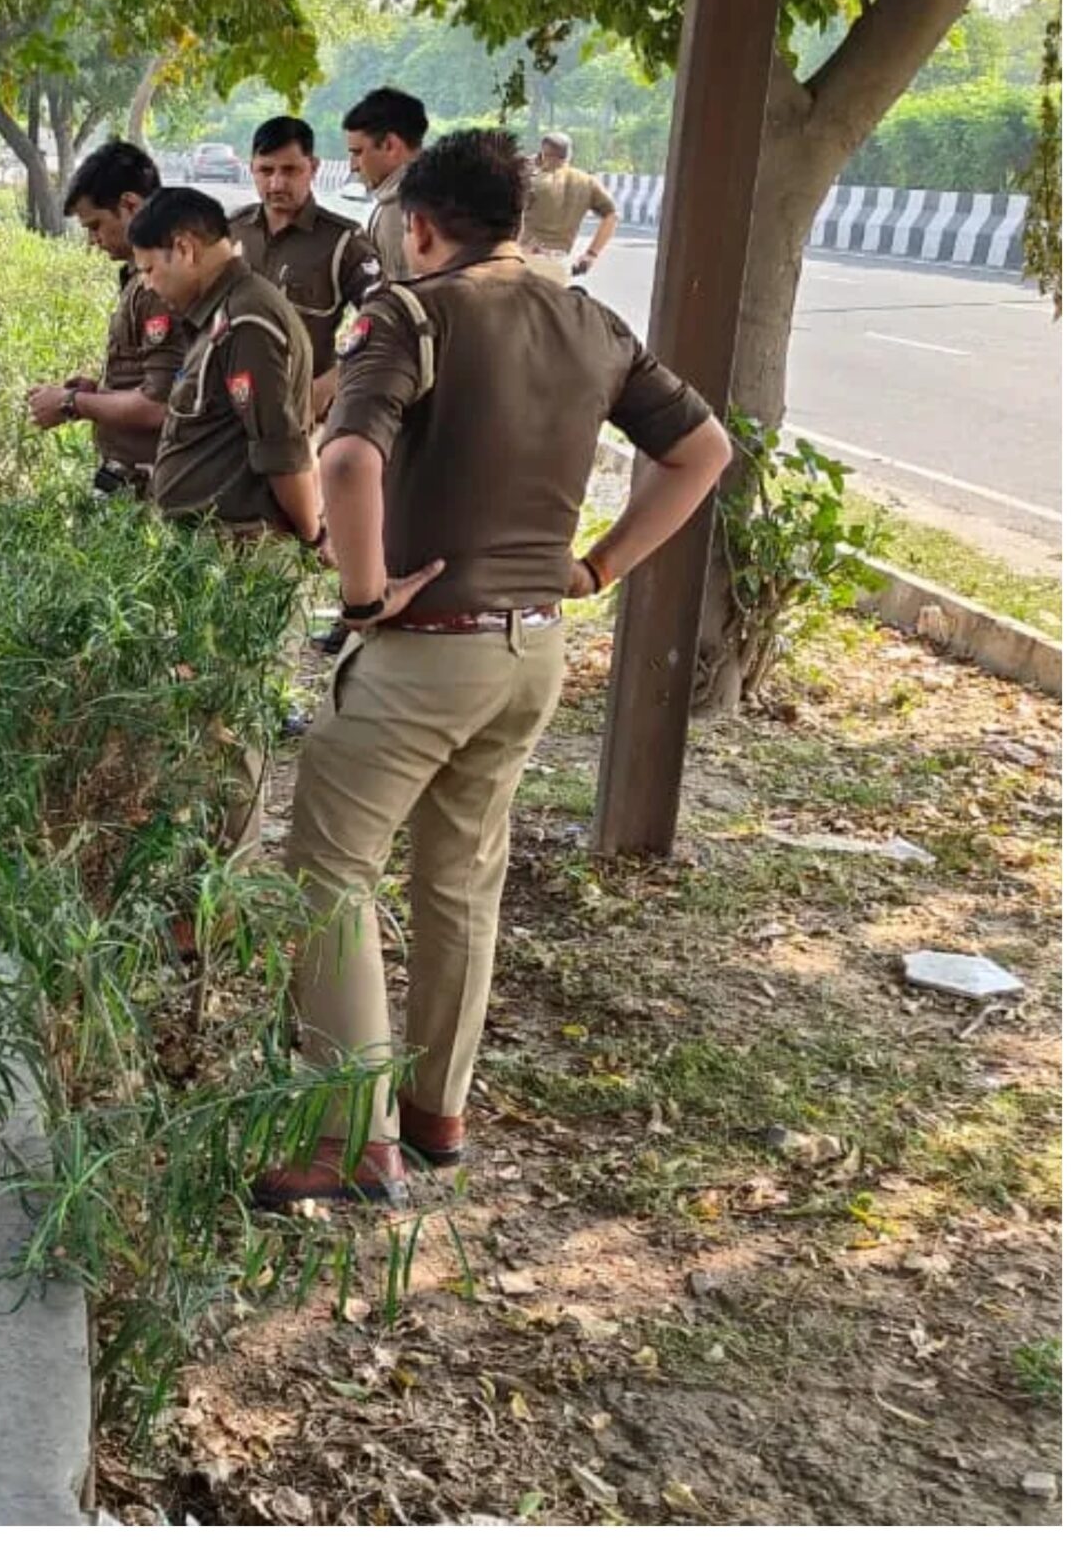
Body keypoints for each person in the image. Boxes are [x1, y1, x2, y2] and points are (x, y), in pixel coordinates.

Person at [258, 129, 733, 1206]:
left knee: (327, 873)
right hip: (532, 651)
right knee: (462, 877)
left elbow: (342, 456)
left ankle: (350, 1137)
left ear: (419, 226)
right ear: (515, 222)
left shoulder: (410, 311)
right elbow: (701, 452)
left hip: (423, 653)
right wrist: (599, 565)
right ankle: (434, 1111)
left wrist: (364, 596)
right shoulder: (593, 322)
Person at [130, 185, 323, 867]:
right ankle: (202, 876)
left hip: (241, 552)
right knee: (202, 718)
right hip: (211, 550)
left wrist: (310, 534)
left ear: (184, 248)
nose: (150, 288)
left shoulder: (247, 323)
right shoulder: (221, 317)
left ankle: (222, 895)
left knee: (231, 725)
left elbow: (283, 449)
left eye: (151, 269)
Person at [26, 143, 188, 495]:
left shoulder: (158, 286)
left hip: (153, 481)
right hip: (131, 475)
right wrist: (100, 392)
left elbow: (160, 406)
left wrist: (71, 405)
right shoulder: (138, 277)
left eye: (96, 225)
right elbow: (147, 379)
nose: (92, 241)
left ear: (130, 205)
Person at [230, 115, 384, 425]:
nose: (276, 183)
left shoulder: (343, 242)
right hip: (230, 415)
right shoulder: (231, 231)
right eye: (266, 170)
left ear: (313, 167)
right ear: (251, 169)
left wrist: (330, 384)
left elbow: (384, 320)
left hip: (299, 419)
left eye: (290, 170)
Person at [340, 87, 429, 282]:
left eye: (357, 152)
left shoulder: (400, 211)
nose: (353, 166)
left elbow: (403, 299)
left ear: (390, 146)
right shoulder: (440, 193)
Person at [521, 130, 619, 286]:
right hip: (561, 262)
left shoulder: (533, 181)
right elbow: (611, 216)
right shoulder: (587, 181)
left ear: (542, 154)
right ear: (569, 155)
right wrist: (591, 254)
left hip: (528, 257)